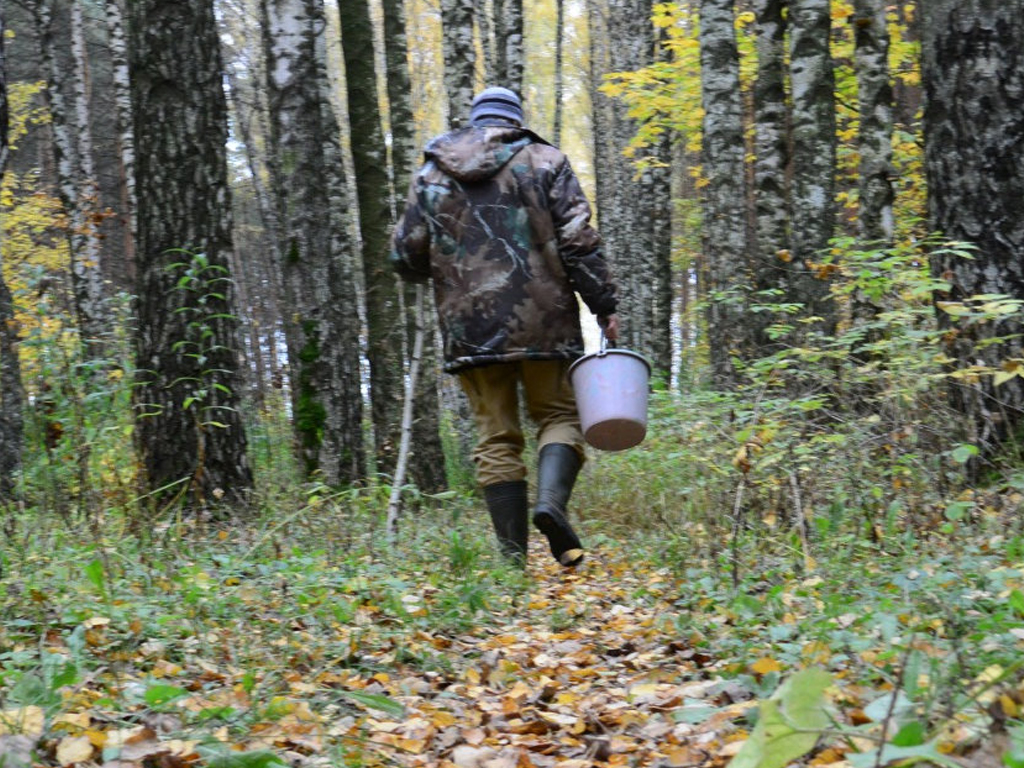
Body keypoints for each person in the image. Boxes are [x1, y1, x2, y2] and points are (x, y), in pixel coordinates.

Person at [390, 86, 619, 568]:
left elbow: (404, 253)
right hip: (545, 320)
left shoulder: (431, 174)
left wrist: (445, 271)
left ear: (474, 120)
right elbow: (578, 240)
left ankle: (513, 564)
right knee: (559, 416)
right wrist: (603, 304)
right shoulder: (545, 160)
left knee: (495, 436)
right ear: (515, 120)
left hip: (470, 326)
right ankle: (551, 505)